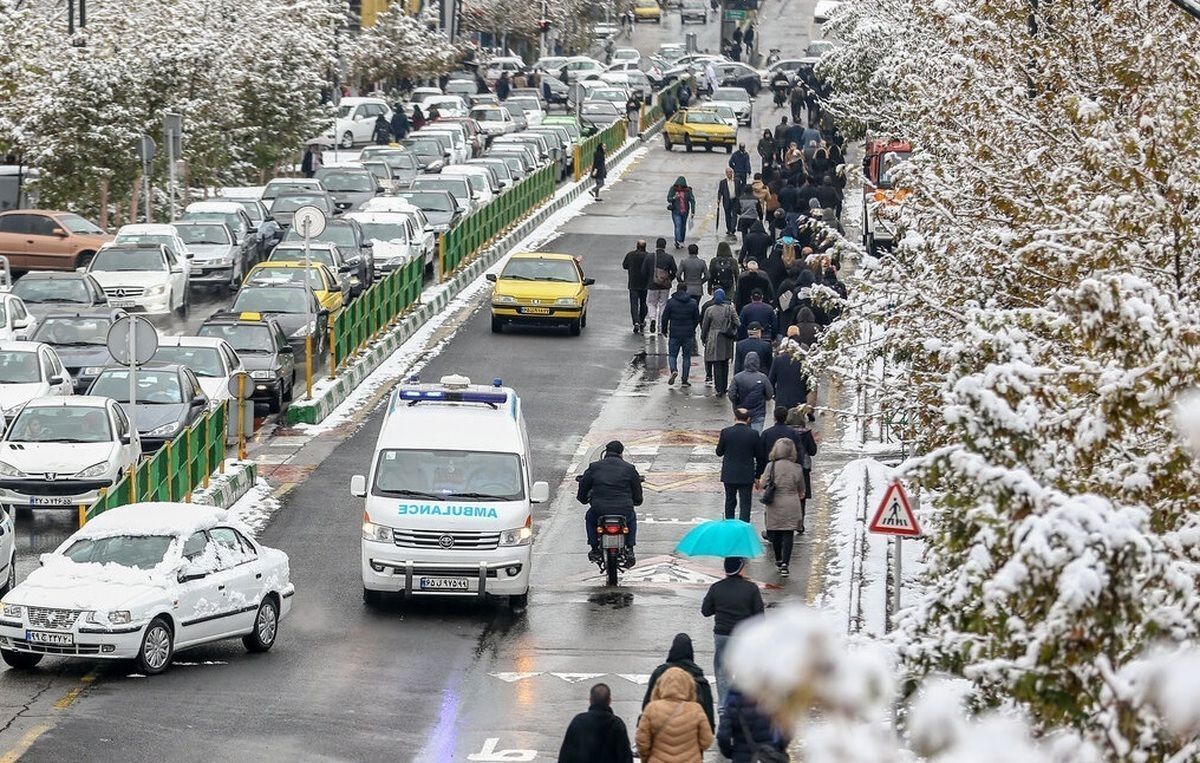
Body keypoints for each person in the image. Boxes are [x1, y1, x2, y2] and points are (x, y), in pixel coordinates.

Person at [701, 557, 764, 705]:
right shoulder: (751, 588)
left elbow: (706, 611)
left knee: (722, 671)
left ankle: (723, 705)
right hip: (744, 635)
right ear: (740, 569)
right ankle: (742, 705)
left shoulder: (716, 587)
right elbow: (760, 617)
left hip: (722, 634)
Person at [577, 440, 643, 566]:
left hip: (599, 510)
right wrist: (637, 501)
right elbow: (637, 492)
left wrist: (583, 499)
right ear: (621, 453)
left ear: (606, 452)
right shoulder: (629, 468)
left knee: (590, 518)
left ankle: (594, 548)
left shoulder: (594, 467)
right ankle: (630, 548)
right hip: (624, 510)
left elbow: (584, 486)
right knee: (631, 518)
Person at [636, 667, 714, 762]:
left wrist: (646, 758)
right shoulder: (696, 709)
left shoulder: (652, 708)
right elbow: (706, 741)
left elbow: (642, 742)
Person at [642, 633, 716, 732]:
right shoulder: (698, 676)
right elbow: (708, 710)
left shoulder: (660, 673)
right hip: (690, 732)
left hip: (662, 729)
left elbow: (648, 701)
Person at [760, 437, 805, 575]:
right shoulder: (797, 468)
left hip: (774, 502)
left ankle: (778, 558)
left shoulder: (771, 466)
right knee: (788, 533)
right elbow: (801, 489)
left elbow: (762, 483)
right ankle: (785, 563)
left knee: (775, 532)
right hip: (791, 502)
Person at [559, 683, 635, 763]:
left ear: (590, 700)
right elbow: (625, 757)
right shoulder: (617, 724)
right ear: (609, 701)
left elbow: (565, 755)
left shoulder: (578, 721)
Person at [717, 687, 789, 762]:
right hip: (771, 755)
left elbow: (723, 736)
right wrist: (780, 748)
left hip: (742, 757)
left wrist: (731, 753)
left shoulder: (733, 700)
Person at [715, 408, 761, 522]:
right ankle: (744, 526)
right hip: (746, 473)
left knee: (730, 500)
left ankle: (729, 523)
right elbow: (759, 455)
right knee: (745, 503)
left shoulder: (726, 432)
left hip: (729, 473)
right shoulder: (753, 434)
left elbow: (719, 452)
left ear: (735, 417)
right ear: (748, 419)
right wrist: (758, 475)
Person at [660, 283, 700, 387]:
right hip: (688, 334)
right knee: (686, 357)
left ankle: (674, 370)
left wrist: (664, 330)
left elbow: (665, 318)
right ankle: (685, 379)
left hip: (674, 333)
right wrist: (692, 328)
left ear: (677, 290)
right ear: (686, 290)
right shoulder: (693, 303)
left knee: (672, 355)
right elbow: (697, 318)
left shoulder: (671, 302)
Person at [700, 288, 738, 396]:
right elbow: (737, 322)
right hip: (727, 338)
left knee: (717, 363)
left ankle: (719, 388)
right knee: (725, 363)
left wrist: (703, 338)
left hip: (714, 338)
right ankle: (724, 386)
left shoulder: (710, 310)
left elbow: (705, 326)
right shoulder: (730, 308)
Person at [768, 329, 815, 409]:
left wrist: (776, 395)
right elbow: (810, 384)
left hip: (781, 400)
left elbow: (771, 380)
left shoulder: (778, 360)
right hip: (799, 400)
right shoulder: (805, 361)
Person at [728, 352, 773, 432]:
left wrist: (737, 403)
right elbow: (769, 394)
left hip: (741, 414)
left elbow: (731, 394)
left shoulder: (737, 377)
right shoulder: (763, 378)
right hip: (758, 413)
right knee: (756, 436)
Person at [642, 238, 678, 333]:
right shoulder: (669, 257)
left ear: (656, 245)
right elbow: (675, 271)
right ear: (664, 246)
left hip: (652, 285)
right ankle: (661, 325)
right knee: (663, 304)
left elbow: (643, 271)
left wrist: (649, 279)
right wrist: (669, 279)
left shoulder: (650, 257)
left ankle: (652, 319)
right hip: (665, 285)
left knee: (651, 303)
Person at [623, 240, 650, 333]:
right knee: (643, 302)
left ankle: (636, 322)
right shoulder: (648, 256)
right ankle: (642, 320)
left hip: (633, 282)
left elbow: (624, 265)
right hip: (644, 283)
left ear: (637, 246)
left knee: (634, 303)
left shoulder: (630, 255)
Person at [667, 176, 696, 249]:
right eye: (678, 186)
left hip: (685, 212)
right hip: (676, 211)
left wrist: (693, 211)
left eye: (681, 186)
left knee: (683, 227)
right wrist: (674, 197)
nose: (679, 187)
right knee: (678, 225)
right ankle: (678, 241)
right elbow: (668, 199)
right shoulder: (673, 189)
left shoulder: (688, 191)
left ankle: (682, 240)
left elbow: (692, 201)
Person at [716, 168, 740, 239]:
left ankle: (733, 228)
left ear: (732, 173)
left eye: (730, 172)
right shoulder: (723, 182)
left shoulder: (737, 181)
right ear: (726, 174)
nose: (729, 174)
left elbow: (740, 190)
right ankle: (729, 228)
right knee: (728, 215)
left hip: (735, 200)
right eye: (728, 172)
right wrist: (719, 199)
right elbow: (720, 191)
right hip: (727, 201)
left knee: (734, 214)